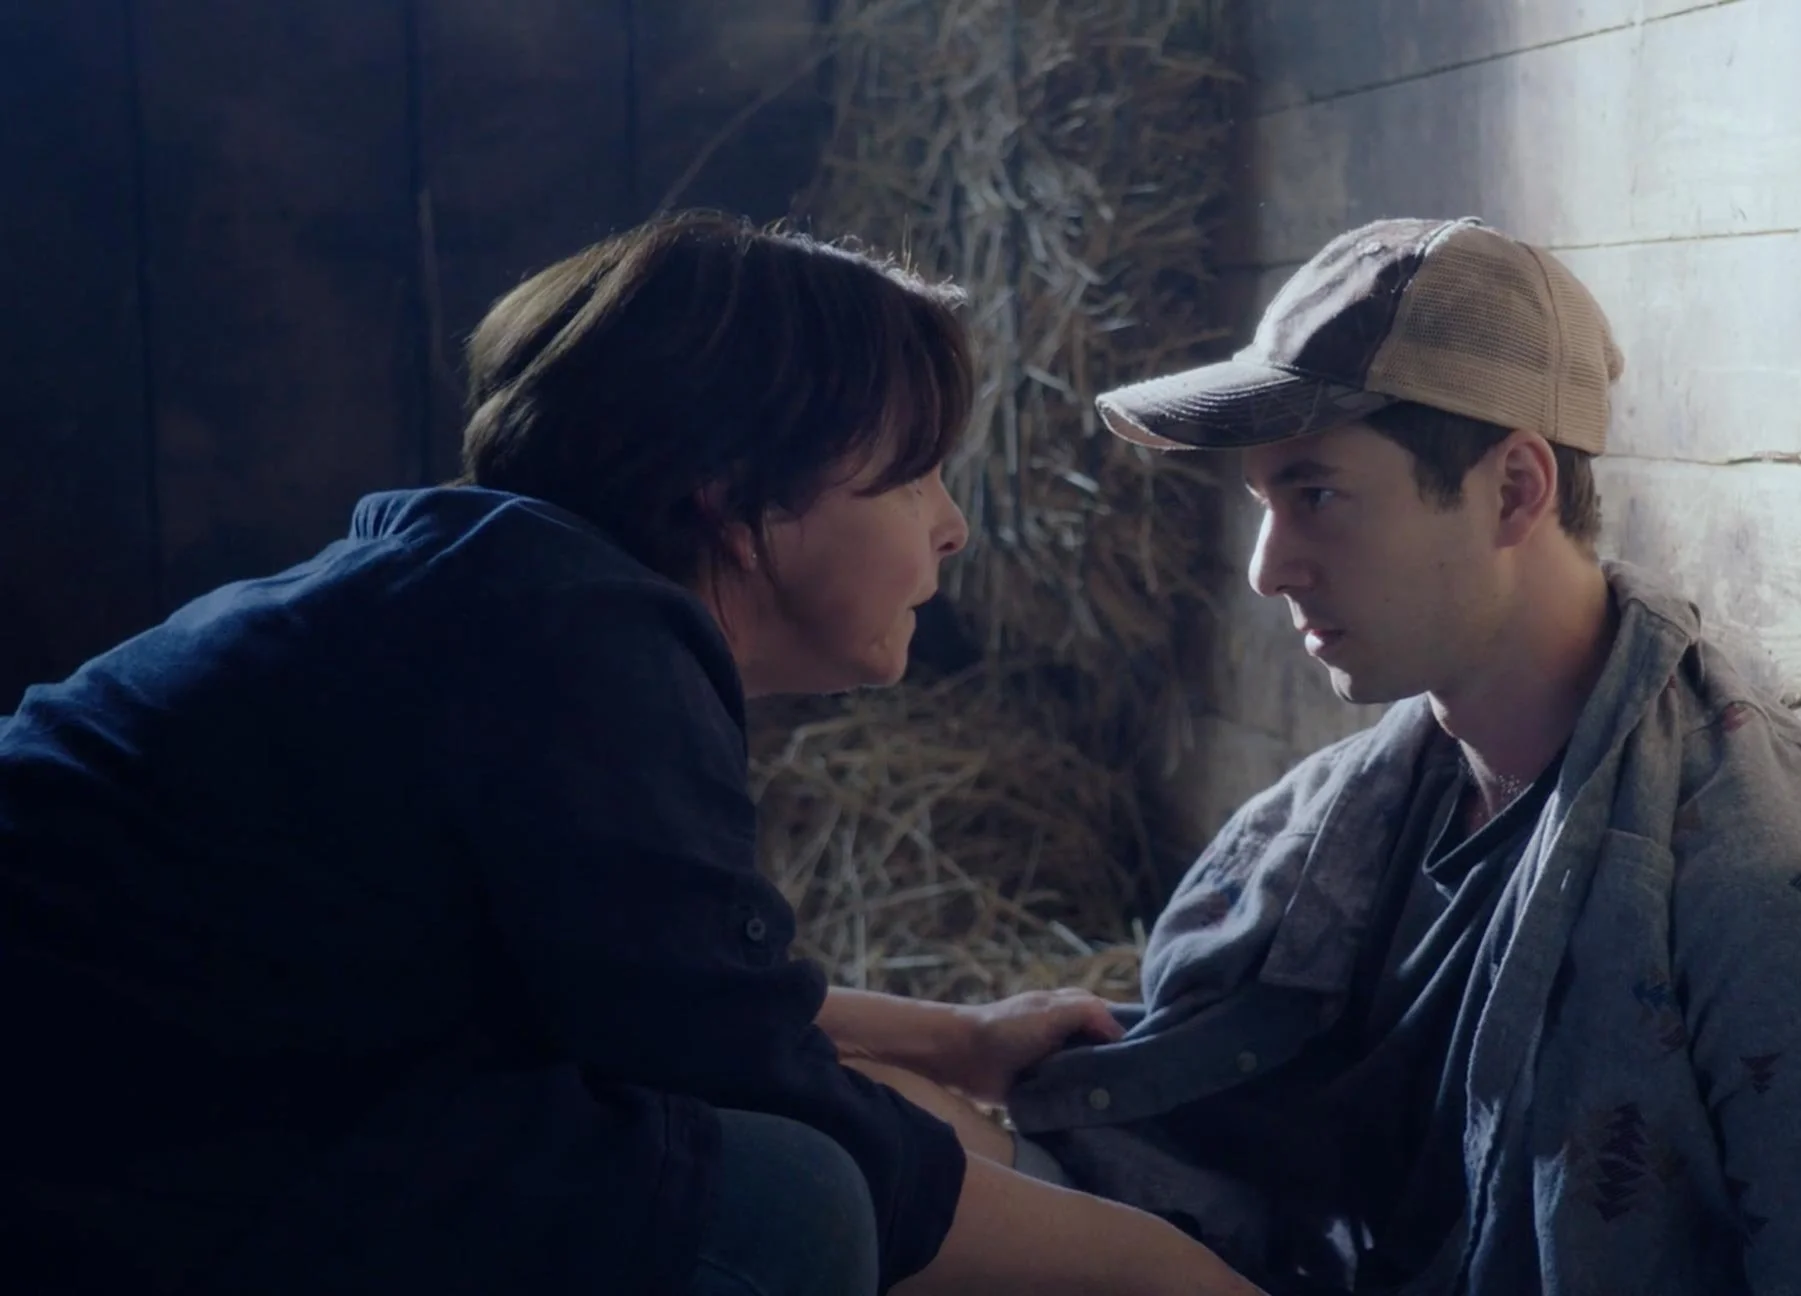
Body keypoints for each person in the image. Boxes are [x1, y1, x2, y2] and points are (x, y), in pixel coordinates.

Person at [0, 212, 1263, 1296]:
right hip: (90, 1168)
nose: (952, 529)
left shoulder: (502, 599)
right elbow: (758, 1083)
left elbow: (670, 993)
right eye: (913, 476)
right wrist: (1163, 1269)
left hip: (110, 1114)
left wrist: (954, 1037)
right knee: (787, 1202)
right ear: (734, 501)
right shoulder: (571, 645)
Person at [865, 217, 1801, 1295]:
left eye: (1316, 495)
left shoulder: (1763, 898)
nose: (1269, 568)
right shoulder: (1352, 812)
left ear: (1514, 489)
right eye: (1265, 500)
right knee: (855, 1127)